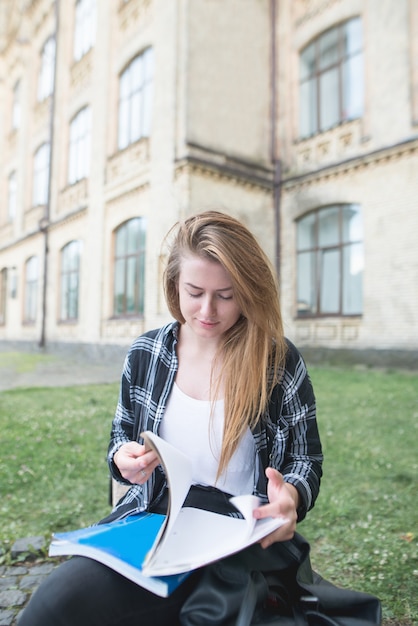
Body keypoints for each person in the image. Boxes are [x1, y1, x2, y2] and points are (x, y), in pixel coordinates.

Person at [20, 210, 323, 626]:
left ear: (249, 292)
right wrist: (124, 461)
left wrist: (291, 496)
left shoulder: (277, 360)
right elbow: (120, 441)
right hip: (153, 529)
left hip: (242, 539)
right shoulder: (146, 353)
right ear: (173, 285)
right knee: (52, 607)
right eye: (194, 291)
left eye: (227, 294)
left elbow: (306, 460)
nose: (208, 310)